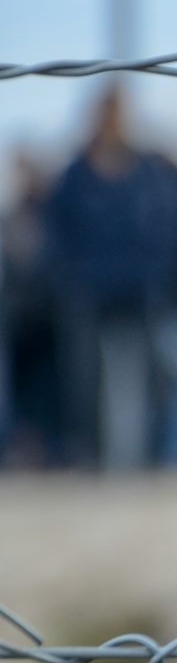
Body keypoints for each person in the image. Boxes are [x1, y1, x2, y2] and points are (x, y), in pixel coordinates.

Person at [42, 87, 177, 470]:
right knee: (85, 379)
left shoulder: (147, 171)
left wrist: (160, 269)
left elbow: (166, 224)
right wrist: (69, 277)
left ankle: (152, 457)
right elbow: (57, 233)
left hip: (142, 287)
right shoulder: (76, 174)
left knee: (153, 378)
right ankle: (90, 456)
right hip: (88, 290)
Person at [1, 150, 61, 466]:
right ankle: (26, 449)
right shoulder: (14, 215)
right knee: (23, 394)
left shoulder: (53, 214)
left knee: (48, 392)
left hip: (49, 319)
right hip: (20, 321)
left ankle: (47, 450)